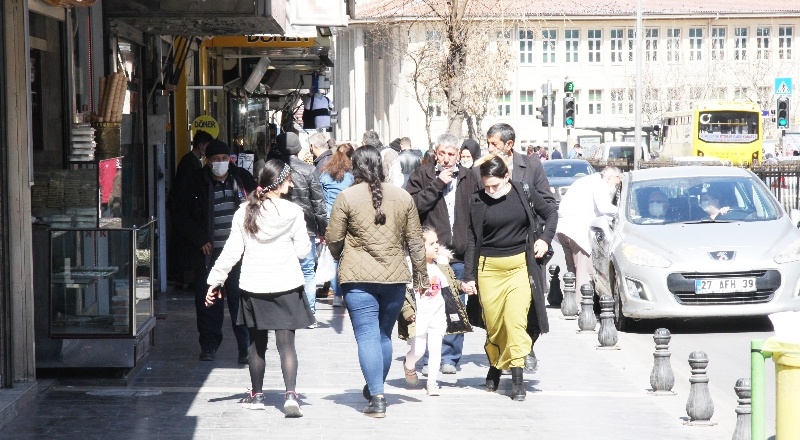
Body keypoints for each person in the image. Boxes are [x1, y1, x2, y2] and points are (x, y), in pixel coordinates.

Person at [326, 145, 429, 418]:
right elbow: (416, 241)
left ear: (355, 167)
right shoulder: (403, 197)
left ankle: (378, 396)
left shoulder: (346, 197)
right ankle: (375, 387)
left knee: (367, 336)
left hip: (357, 279)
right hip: (395, 279)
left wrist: (342, 256)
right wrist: (421, 276)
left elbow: (334, 239)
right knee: (383, 335)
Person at [205, 159, 313, 417]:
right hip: (286, 285)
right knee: (286, 344)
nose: (291, 184)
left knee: (256, 344)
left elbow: (231, 252)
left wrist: (214, 281)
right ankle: (290, 395)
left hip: (254, 286)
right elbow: (303, 251)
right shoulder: (293, 213)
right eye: (288, 180)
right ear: (280, 182)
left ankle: (257, 396)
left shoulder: (243, 212)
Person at [462, 155, 557, 401]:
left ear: (507, 177)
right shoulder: (477, 200)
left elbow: (551, 213)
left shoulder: (523, 192)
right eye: (487, 186)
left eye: (495, 185)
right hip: (489, 270)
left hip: (519, 268)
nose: (491, 190)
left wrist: (544, 240)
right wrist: (469, 276)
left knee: (515, 321)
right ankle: (495, 365)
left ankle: (517, 378)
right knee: (495, 326)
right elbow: (472, 240)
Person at [172, 139, 255, 363]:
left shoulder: (242, 179)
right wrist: (199, 238)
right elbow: (180, 214)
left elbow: (257, 206)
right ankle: (209, 346)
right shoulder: (195, 182)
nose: (221, 163)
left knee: (240, 300)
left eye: (224, 159)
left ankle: (245, 347)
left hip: (239, 253)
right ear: (207, 162)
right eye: (215, 160)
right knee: (209, 301)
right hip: (209, 255)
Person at [484, 123, 556, 369]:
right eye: (489, 143)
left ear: (509, 144)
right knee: (499, 307)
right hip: (496, 248)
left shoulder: (531, 165)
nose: (490, 148)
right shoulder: (484, 168)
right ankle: (507, 350)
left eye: (494, 143)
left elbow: (548, 204)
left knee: (530, 303)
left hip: (528, 245)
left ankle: (527, 347)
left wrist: (544, 239)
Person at [406, 133, 478, 375]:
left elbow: (475, 215)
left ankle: (450, 357)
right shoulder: (422, 175)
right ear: (435, 153)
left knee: (455, 306)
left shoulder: (470, 178)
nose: (447, 159)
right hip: (430, 255)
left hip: (459, 253)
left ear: (458, 154)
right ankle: (428, 356)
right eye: (442, 154)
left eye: (451, 154)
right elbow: (413, 207)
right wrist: (438, 184)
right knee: (427, 305)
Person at [398, 228, 468, 396]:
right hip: (419, 315)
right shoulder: (409, 266)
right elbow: (402, 292)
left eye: (437, 242)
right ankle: (409, 365)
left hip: (437, 314)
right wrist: (407, 311)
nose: (437, 246)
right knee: (419, 350)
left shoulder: (441, 265)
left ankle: (432, 382)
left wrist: (463, 286)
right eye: (431, 243)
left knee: (436, 349)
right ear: (420, 247)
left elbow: (451, 284)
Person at [277, 132, 327, 327]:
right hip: (305, 228)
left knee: (282, 270)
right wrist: (323, 229)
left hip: (279, 228)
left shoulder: (273, 168)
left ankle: (284, 313)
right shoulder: (309, 170)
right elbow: (318, 202)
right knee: (307, 272)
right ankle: (310, 315)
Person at [555, 167, 622, 304]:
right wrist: (623, 212)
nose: (616, 187)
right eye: (616, 183)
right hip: (578, 231)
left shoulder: (587, 181)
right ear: (609, 177)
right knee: (583, 272)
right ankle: (583, 307)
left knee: (572, 271)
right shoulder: (599, 184)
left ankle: (570, 304)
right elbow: (604, 208)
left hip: (564, 229)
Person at [318, 143, 355, 308]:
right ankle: (347, 292)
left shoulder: (325, 175)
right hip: (347, 217)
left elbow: (321, 198)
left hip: (329, 218)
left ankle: (337, 295)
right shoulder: (351, 177)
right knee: (348, 256)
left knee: (334, 258)